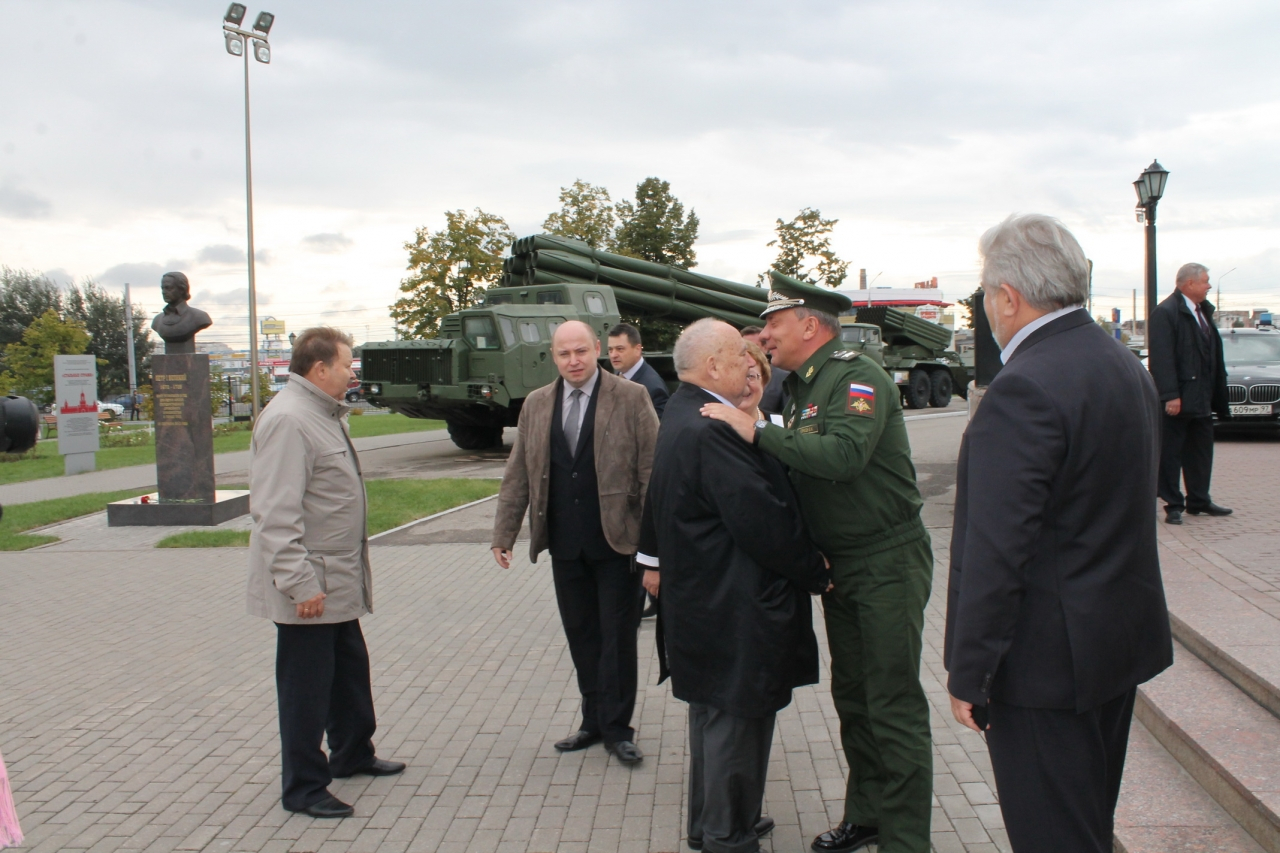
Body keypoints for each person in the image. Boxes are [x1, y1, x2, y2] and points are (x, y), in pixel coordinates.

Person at [944, 214, 1172, 853]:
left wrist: (971, 671)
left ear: (1008, 296)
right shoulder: (1121, 363)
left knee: (1054, 835)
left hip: (1044, 666)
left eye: (985, 293)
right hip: (1112, 645)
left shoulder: (1024, 386)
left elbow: (997, 551)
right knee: (1086, 823)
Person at [702, 276, 932, 853]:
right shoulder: (804, 384)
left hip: (885, 561)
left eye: (774, 323)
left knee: (892, 703)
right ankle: (868, 815)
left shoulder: (857, 376)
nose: (765, 335)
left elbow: (845, 456)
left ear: (809, 326)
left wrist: (757, 430)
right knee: (854, 698)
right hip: (841, 565)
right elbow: (798, 468)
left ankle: (907, 841)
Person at [637, 318, 830, 853]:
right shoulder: (711, 429)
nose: (750, 361)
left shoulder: (684, 413)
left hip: (707, 603)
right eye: (738, 354)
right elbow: (763, 520)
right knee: (736, 727)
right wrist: (815, 570)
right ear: (712, 366)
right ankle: (728, 837)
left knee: (714, 718)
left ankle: (711, 825)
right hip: (735, 606)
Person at [247, 326, 405, 819]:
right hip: (310, 584)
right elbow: (275, 513)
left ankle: (352, 752)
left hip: (335, 577)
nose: (351, 373)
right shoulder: (290, 420)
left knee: (348, 673)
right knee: (306, 689)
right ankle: (304, 787)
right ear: (319, 370)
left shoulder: (320, 413)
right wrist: (299, 584)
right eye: (346, 365)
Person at [491, 320, 659, 764]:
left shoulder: (631, 397)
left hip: (618, 542)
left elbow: (652, 472)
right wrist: (504, 533)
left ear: (597, 348)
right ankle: (593, 721)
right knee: (582, 635)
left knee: (617, 639)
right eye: (564, 354)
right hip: (564, 543)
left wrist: (654, 546)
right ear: (554, 356)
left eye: (581, 351)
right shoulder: (537, 403)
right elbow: (518, 472)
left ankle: (618, 729)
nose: (574, 361)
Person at [1148, 262, 1232, 524]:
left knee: (1201, 452)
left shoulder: (1203, 311)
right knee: (1171, 453)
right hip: (1179, 399)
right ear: (1189, 284)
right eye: (1205, 281)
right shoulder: (1166, 312)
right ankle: (1173, 504)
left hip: (1202, 397)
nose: (1209, 286)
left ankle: (1199, 500)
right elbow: (1162, 358)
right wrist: (1170, 394)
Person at [607, 322, 669, 419]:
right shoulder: (618, 374)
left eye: (620, 349)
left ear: (637, 349)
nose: (613, 355)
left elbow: (656, 427)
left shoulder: (653, 388)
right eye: (610, 350)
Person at [150, 272, 212, 353]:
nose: (164, 292)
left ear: (182, 289)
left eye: (168, 288)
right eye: (162, 288)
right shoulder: (157, 320)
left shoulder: (200, 317)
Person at [741, 325, 789, 415]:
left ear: (766, 348)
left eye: (754, 346)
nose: (749, 350)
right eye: (744, 347)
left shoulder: (783, 377)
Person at [739, 341, 771, 419]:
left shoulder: (782, 423)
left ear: (763, 381)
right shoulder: (710, 424)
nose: (742, 385)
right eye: (735, 376)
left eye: (750, 376)